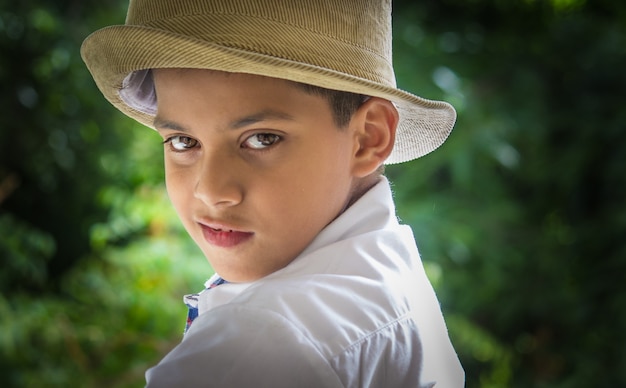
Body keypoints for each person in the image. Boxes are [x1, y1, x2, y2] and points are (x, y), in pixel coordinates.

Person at [81, 0, 464, 386]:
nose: (212, 191)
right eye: (183, 141)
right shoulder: (394, 268)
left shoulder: (255, 343)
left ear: (368, 138)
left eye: (262, 139)